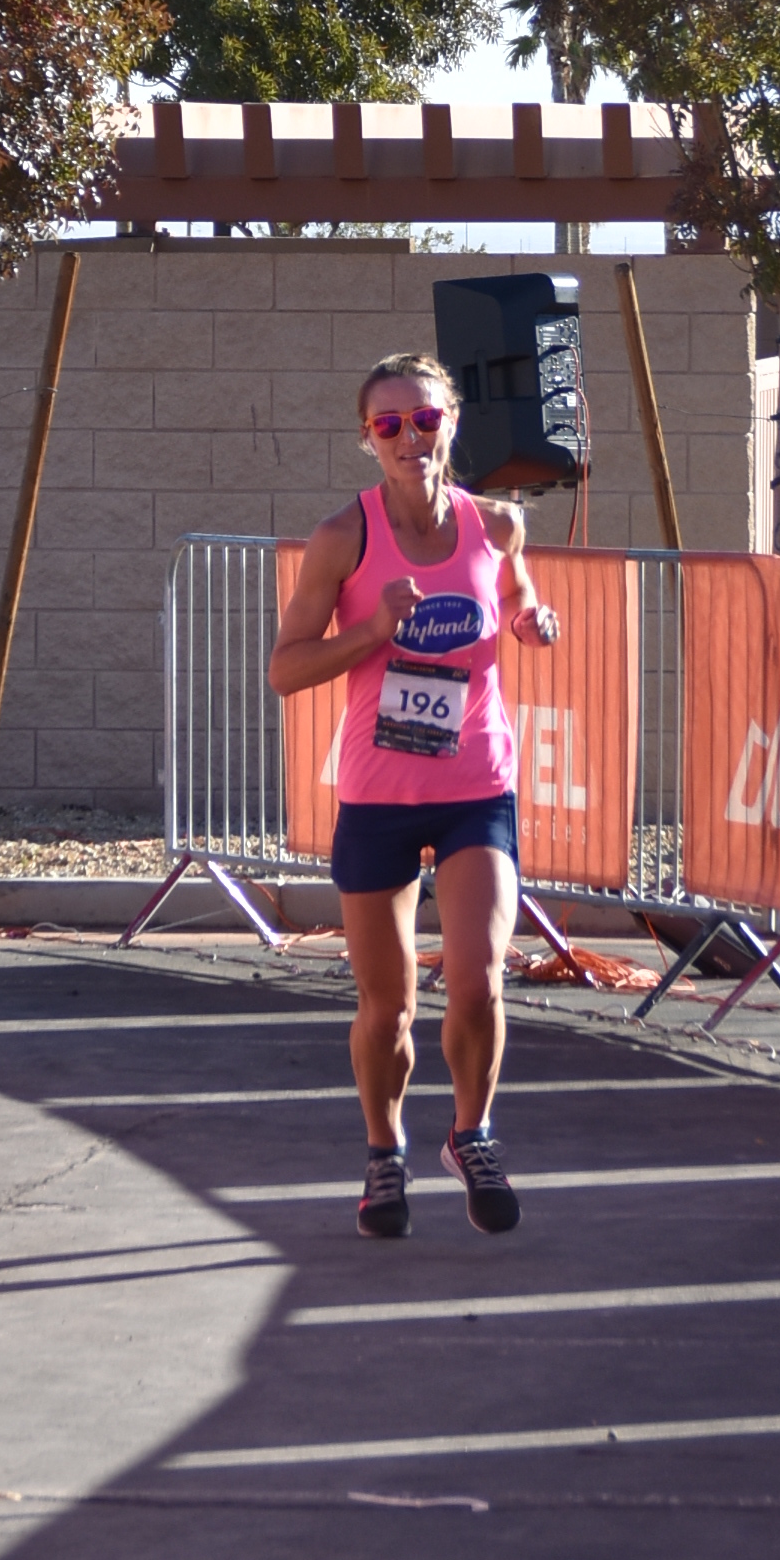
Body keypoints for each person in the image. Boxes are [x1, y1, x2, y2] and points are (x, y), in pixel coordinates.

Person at [270, 350, 555, 1239]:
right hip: (379, 793)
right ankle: (384, 1149)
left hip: (476, 785)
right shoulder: (342, 538)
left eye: (425, 420)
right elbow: (286, 670)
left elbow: (516, 591)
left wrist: (531, 619)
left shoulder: (496, 524)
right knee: (387, 1005)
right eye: (389, 424)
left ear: (451, 425)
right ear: (367, 438)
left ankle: (472, 1135)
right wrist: (373, 629)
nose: (410, 438)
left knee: (476, 981)